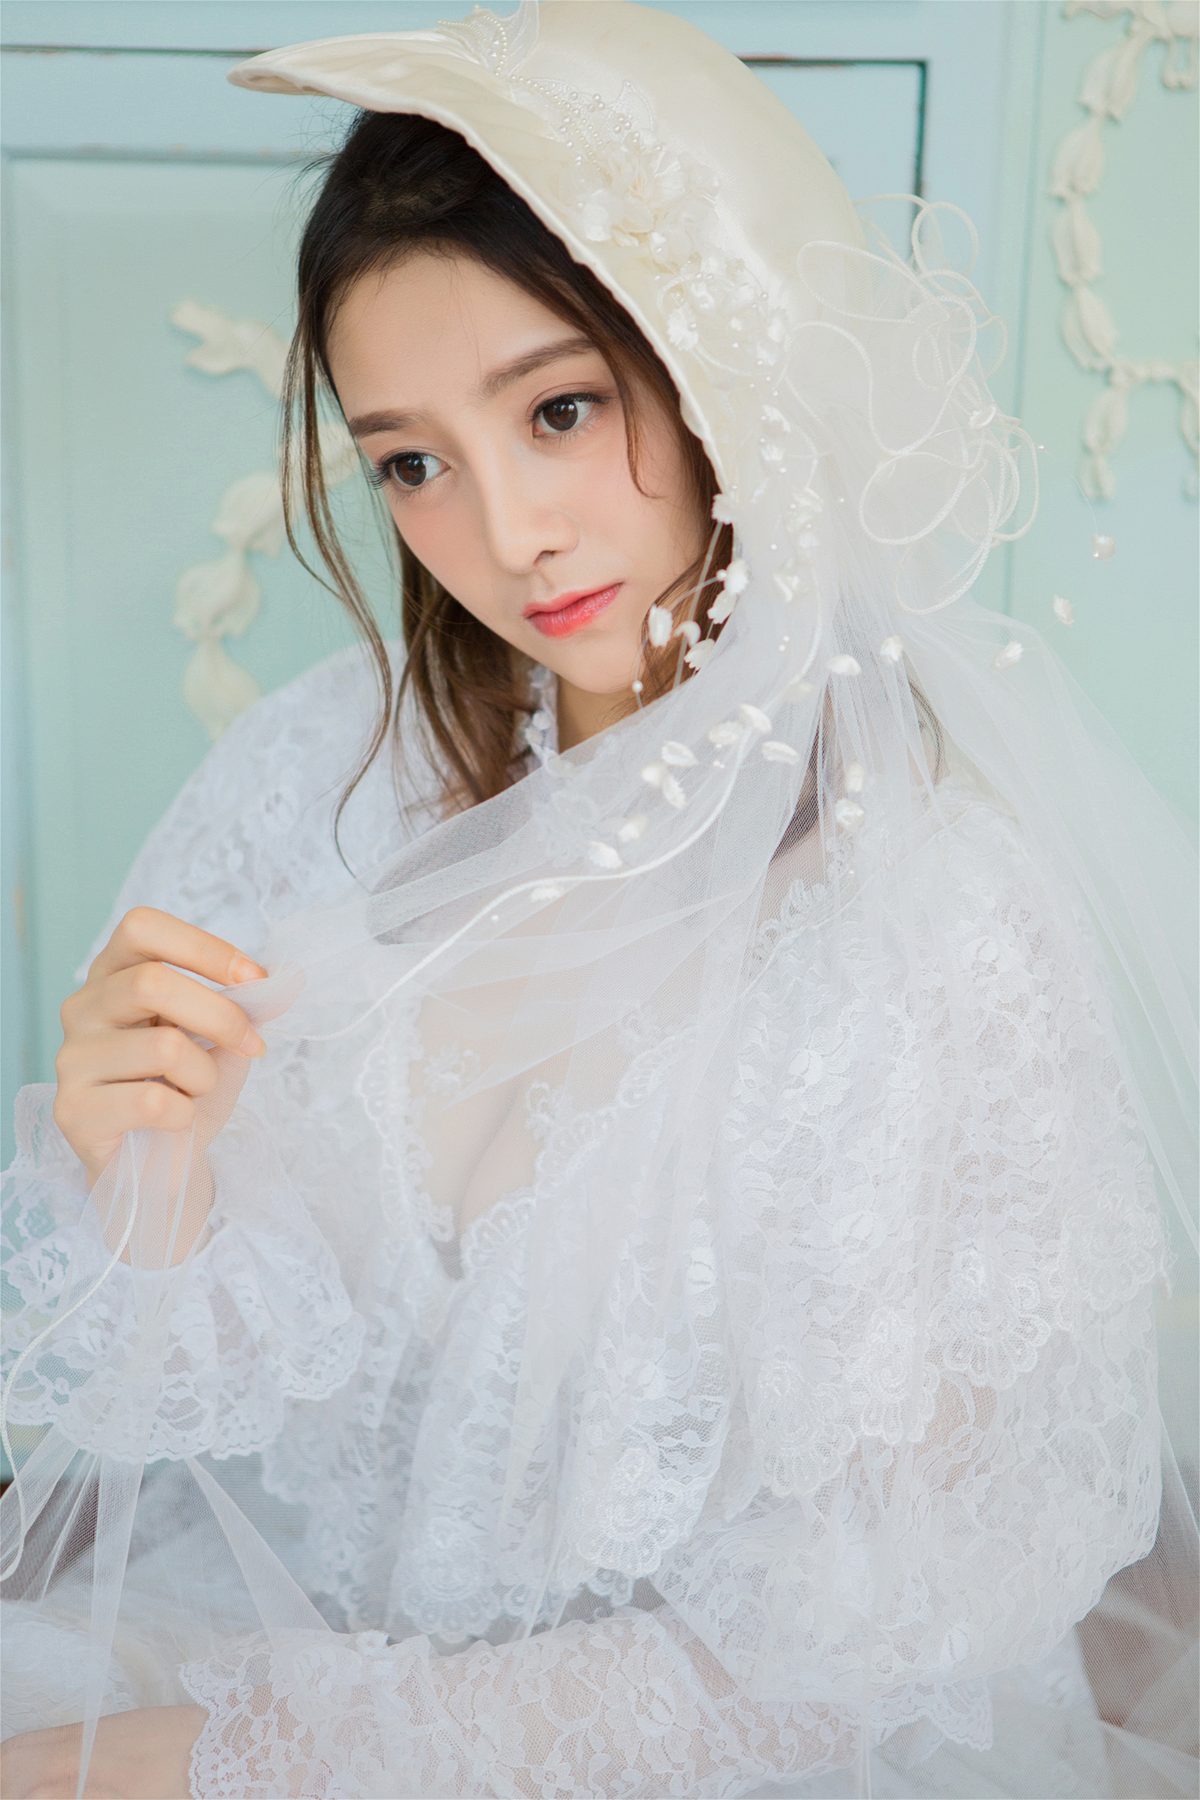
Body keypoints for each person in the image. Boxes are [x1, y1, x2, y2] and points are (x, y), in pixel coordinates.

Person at [1, 3, 1196, 1796]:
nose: (506, 534)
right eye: (413, 461)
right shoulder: (326, 775)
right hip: (304, 1632)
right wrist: (141, 1169)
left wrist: (268, 1758)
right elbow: (202, 1398)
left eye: (560, 409)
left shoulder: (928, 913)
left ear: (727, 375)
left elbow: (876, 1646)